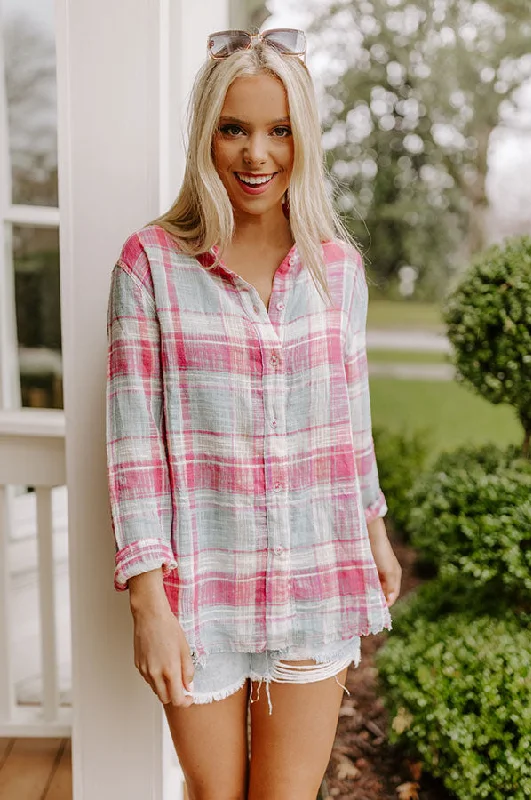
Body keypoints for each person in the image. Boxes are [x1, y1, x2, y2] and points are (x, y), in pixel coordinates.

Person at [106, 27, 402, 800]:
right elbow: (132, 446)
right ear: (207, 133)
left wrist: (372, 529)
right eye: (234, 129)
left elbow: (348, 418)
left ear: (302, 137)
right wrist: (148, 604)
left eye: (278, 131)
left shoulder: (338, 268)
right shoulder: (150, 267)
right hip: (198, 590)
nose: (256, 154)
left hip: (316, 579)